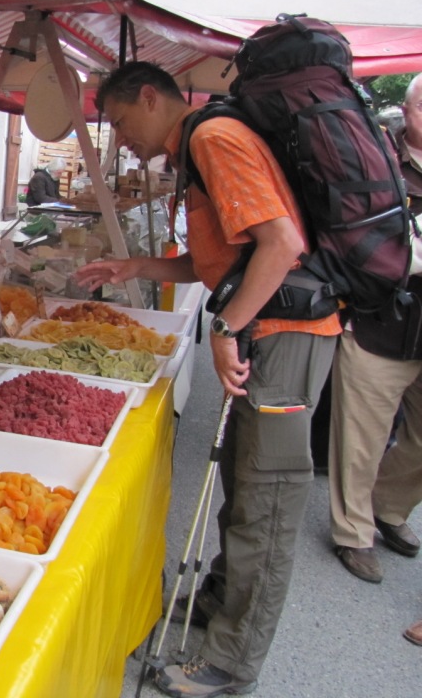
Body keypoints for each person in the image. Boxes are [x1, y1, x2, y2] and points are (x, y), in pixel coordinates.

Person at [75, 62, 340, 698]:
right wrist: (136, 264)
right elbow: (221, 258)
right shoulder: (197, 149)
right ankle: (219, 603)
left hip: (284, 337)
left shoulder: (212, 140)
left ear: (149, 97)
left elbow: (281, 245)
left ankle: (231, 661)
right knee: (242, 483)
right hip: (267, 332)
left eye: (119, 122)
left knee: (267, 501)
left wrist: (224, 332)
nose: (120, 139)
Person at [328, 73, 422, 588]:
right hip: (381, 322)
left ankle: (388, 504)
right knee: (359, 440)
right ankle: (354, 531)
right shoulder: (377, 158)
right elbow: (348, 231)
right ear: (406, 111)